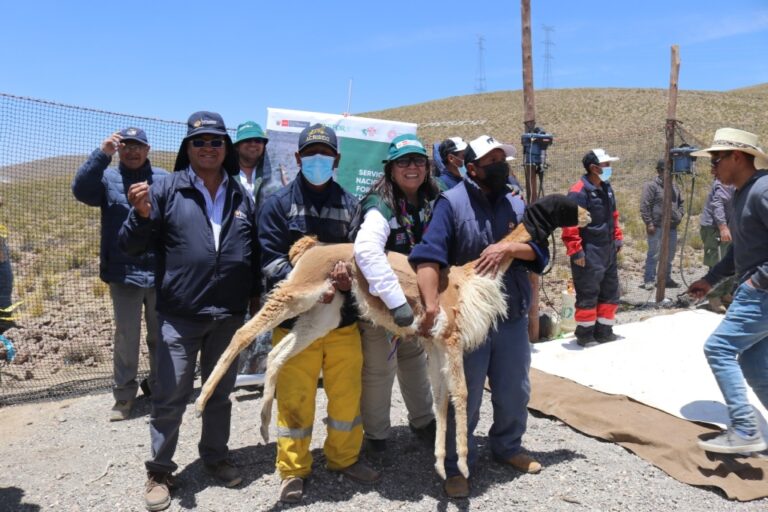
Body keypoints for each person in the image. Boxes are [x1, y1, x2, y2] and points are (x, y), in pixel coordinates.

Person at [119, 111, 260, 511]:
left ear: (225, 149)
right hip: (180, 315)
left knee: (219, 392)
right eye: (200, 142)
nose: (209, 148)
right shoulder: (166, 189)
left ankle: (216, 457)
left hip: (228, 316)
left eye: (216, 142)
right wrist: (141, 215)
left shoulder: (239, 194)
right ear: (188, 148)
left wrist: (252, 297)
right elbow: (130, 245)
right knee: (171, 393)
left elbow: (250, 255)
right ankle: (160, 470)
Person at [410, 135, 549, 498]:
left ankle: (507, 447)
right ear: (471, 168)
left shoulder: (516, 203)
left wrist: (510, 247)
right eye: (493, 161)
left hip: (511, 315)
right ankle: (456, 464)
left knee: (514, 389)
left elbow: (540, 253)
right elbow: (428, 256)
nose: (502, 167)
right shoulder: (451, 203)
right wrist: (430, 306)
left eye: (504, 159)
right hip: (469, 320)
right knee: (463, 393)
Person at [259, 123, 379, 503]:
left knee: (346, 396)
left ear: (337, 160)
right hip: (297, 325)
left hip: (342, 323)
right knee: (294, 398)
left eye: (324, 155)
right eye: (310, 154)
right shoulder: (277, 205)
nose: (317, 161)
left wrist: (348, 283)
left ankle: (343, 458)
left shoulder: (351, 206)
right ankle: (293, 471)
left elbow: (365, 260)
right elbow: (269, 262)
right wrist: (315, 287)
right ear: (297, 159)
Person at [72, 128, 167, 421]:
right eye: (126, 146)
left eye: (138, 147)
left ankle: (160, 389)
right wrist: (102, 154)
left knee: (161, 336)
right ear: (120, 150)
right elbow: (80, 190)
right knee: (127, 337)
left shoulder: (163, 179)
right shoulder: (107, 179)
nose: (132, 152)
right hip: (123, 273)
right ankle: (124, 396)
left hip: (159, 272)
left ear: (147, 150)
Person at [353, 134, 437, 462]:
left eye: (418, 160)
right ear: (391, 169)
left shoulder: (433, 196)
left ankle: (423, 421)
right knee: (379, 368)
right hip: (383, 304)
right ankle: (375, 436)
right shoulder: (380, 204)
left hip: (415, 300)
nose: (412, 167)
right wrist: (394, 302)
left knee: (415, 362)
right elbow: (366, 251)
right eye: (403, 162)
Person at [686, 128, 768, 454]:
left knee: (718, 349)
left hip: (761, 292)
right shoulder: (741, 193)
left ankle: (746, 431)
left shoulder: (762, 191)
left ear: (737, 156)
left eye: (716, 159)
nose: (712, 167)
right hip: (756, 288)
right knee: (753, 363)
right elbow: (740, 250)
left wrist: (757, 281)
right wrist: (711, 279)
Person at [562, 149, 623, 347]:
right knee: (588, 292)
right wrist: (576, 250)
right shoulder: (578, 192)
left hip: (607, 249)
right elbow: (570, 223)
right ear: (594, 168)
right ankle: (585, 334)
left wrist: (617, 238)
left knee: (610, 290)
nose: (609, 169)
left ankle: (604, 331)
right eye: (606, 165)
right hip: (589, 251)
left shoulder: (606, 188)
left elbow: (613, 215)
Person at [639, 159, 684, 289]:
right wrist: (649, 223)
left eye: (671, 171)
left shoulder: (674, 186)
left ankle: (666, 278)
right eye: (666, 170)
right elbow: (644, 205)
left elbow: (681, 204)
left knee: (669, 254)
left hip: (672, 227)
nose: (670, 174)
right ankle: (649, 280)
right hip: (657, 226)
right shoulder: (651, 186)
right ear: (659, 171)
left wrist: (679, 215)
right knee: (654, 254)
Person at [700, 170, 736, 311]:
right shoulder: (724, 181)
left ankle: (725, 293)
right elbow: (718, 204)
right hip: (713, 227)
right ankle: (713, 297)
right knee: (716, 261)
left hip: (728, 226)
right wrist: (722, 227)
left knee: (730, 260)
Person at [233, 121, 269, 209]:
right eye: (247, 140)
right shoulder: (225, 174)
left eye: (258, 141)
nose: (253, 144)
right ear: (237, 146)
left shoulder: (272, 173)